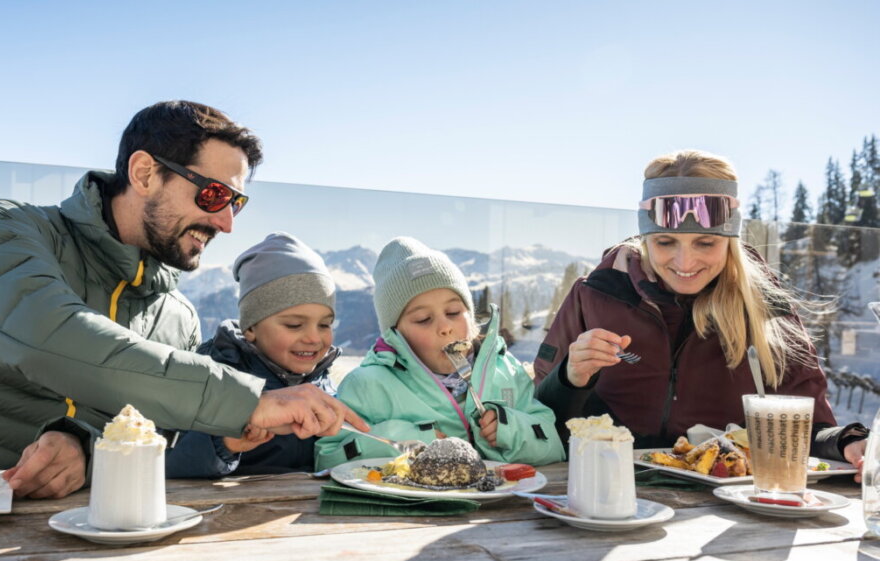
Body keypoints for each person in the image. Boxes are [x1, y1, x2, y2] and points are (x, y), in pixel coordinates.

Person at [0, 101, 367, 499]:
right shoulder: (4, 231)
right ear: (144, 173)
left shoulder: (178, 317)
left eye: (235, 204)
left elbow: (152, 443)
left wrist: (86, 450)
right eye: (213, 195)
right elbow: (49, 338)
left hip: (89, 523)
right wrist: (248, 402)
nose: (226, 223)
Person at [533, 149, 868, 475]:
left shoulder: (766, 308)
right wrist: (569, 378)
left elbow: (805, 428)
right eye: (665, 242)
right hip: (602, 484)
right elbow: (535, 420)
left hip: (724, 498)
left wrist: (846, 442)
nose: (685, 262)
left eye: (705, 243)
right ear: (646, 239)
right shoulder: (596, 294)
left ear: (730, 240)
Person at [316, 237, 565, 470]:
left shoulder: (506, 371)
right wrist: (406, 441)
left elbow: (554, 447)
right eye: (423, 319)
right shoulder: (367, 386)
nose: (445, 327)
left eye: (454, 312)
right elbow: (328, 458)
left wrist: (511, 430)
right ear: (396, 335)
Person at [165, 232, 340, 477]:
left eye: (324, 325)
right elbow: (170, 463)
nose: (314, 338)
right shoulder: (213, 377)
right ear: (250, 328)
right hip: (232, 500)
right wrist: (225, 442)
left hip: (305, 499)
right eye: (294, 325)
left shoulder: (322, 380)